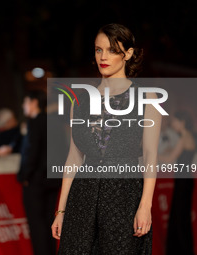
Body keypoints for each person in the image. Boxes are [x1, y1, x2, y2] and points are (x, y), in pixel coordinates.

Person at [52, 23, 161, 254]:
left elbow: (151, 155)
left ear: (128, 54)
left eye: (112, 50)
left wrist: (145, 205)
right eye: (98, 49)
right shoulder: (79, 102)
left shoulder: (147, 98)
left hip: (124, 197)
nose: (103, 56)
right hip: (82, 199)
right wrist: (61, 211)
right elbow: (73, 158)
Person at [17, 90, 61, 255]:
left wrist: (25, 176)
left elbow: (31, 151)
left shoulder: (35, 123)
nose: (23, 106)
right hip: (53, 179)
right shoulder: (55, 122)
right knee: (49, 220)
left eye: (25, 101)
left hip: (36, 181)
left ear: (34, 102)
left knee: (37, 225)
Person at [159, 111, 195, 255]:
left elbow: (169, 159)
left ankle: (180, 250)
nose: (172, 124)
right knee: (182, 216)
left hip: (182, 181)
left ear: (182, 123)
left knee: (179, 216)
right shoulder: (188, 136)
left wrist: (150, 154)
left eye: (175, 121)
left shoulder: (184, 137)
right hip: (186, 179)